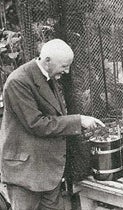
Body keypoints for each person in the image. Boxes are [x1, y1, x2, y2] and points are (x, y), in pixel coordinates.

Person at [0, 39, 105, 210]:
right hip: (26, 175)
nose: (67, 70)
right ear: (47, 60)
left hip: (48, 173)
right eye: (64, 66)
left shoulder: (48, 76)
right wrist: (78, 120)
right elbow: (37, 124)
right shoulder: (18, 82)